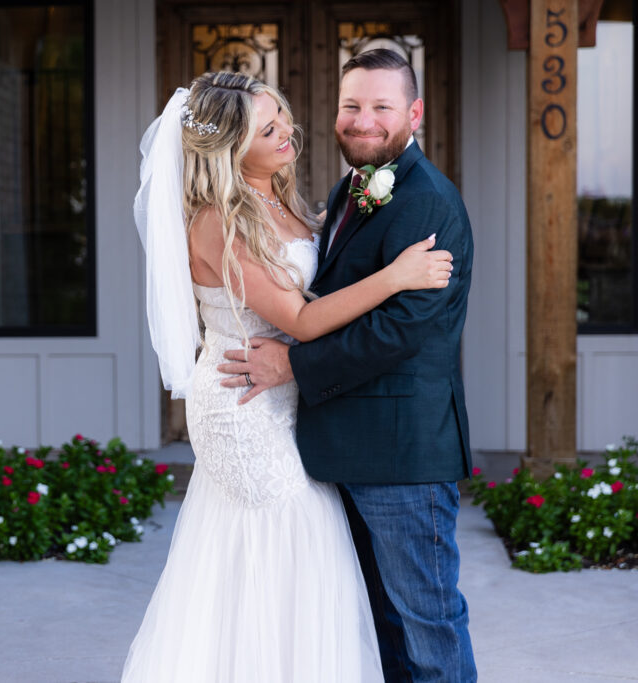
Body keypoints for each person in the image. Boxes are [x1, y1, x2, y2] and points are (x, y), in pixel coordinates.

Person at [124, 69, 454, 682]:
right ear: (228, 148)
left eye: (283, 118)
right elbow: (301, 321)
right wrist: (396, 276)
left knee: (301, 560)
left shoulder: (285, 200)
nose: (287, 134)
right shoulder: (216, 221)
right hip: (243, 403)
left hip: (287, 398)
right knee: (286, 553)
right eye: (266, 129)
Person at [219, 49, 477, 681]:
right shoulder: (348, 189)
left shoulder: (428, 203)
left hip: (400, 454)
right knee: (381, 625)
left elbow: (402, 332)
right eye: (351, 106)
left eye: (381, 107)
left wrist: (293, 364)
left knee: (428, 623)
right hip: (347, 448)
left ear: (414, 112)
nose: (362, 120)